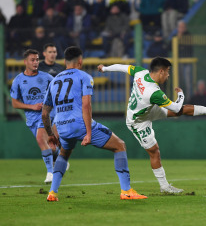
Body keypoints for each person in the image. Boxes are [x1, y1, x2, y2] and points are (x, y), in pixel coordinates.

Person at [97, 57, 206, 193]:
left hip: (147, 110)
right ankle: (164, 187)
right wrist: (181, 95)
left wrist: (105, 68)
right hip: (137, 121)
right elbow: (176, 107)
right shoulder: (154, 92)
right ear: (161, 72)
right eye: (168, 72)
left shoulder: (140, 72)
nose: (168, 75)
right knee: (154, 151)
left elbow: (123, 67)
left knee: (180, 111)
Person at [43, 46, 147, 201]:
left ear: (65, 61)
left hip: (61, 126)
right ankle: (126, 191)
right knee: (119, 145)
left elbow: (45, 113)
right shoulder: (84, 77)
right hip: (80, 124)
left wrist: (51, 135)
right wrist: (89, 133)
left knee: (64, 153)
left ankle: (53, 192)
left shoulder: (54, 81)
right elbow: (86, 106)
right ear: (80, 61)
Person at [10, 49, 60, 183]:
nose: (36, 62)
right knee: (50, 145)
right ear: (25, 62)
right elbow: (15, 103)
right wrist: (32, 106)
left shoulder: (46, 77)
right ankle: (60, 155)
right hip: (31, 118)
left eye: (37, 59)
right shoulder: (18, 80)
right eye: (33, 60)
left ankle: (50, 172)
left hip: (46, 115)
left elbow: (58, 90)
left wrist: (50, 103)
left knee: (40, 139)